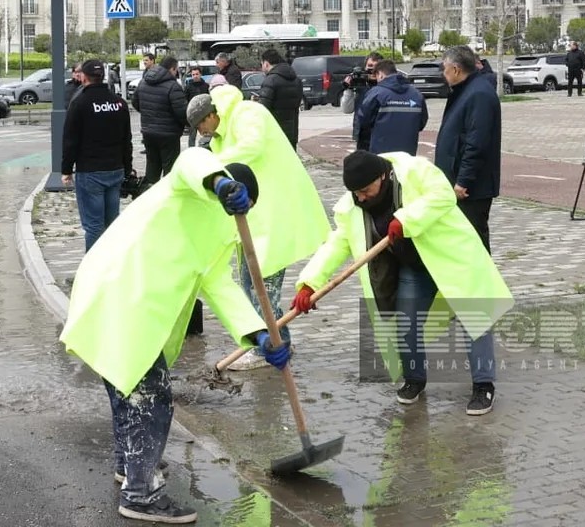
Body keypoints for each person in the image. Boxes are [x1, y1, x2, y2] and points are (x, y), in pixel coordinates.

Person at [61, 153, 291, 524]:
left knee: (127, 388)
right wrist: (219, 182)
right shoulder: (187, 187)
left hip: (118, 293)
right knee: (152, 400)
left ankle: (129, 465)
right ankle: (141, 494)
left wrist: (260, 335)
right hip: (124, 292)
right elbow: (192, 160)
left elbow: (219, 285)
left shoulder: (217, 232)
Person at [291, 150, 513, 415]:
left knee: (474, 318)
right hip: (413, 267)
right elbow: (337, 243)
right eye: (356, 193)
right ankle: (415, 379)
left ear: (382, 176)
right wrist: (309, 283)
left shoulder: (415, 172)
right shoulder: (352, 206)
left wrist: (406, 218)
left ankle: (483, 385)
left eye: (365, 190)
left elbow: (443, 194)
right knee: (406, 321)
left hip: (451, 257)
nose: (361, 197)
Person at [189, 87, 329, 371]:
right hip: (250, 221)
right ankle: (276, 340)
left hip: (274, 217)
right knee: (249, 285)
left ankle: (274, 346)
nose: (201, 132)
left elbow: (251, 147)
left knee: (261, 291)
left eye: (200, 125)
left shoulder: (247, 114)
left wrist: (213, 164)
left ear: (211, 115)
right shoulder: (219, 137)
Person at [61, 59, 134, 251]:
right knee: (112, 225)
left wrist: (66, 170)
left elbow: (70, 140)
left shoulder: (80, 103)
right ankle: (112, 268)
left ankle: (91, 275)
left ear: (83, 77)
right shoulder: (119, 103)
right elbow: (127, 139)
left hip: (90, 172)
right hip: (115, 170)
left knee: (94, 227)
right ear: (102, 76)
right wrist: (127, 167)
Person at [435, 46, 501, 252]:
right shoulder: (466, 90)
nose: (443, 74)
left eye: (444, 69)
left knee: (474, 244)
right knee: (462, 243)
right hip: (459, 182)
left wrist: (463, 180)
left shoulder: (479, 93)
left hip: (471, 188)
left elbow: (477, 142)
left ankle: (484, 284)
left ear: (455, 69)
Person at [132, 56, 188, 185]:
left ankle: (150, 196)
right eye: (176, 70)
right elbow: (182, 112)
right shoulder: (173, 86)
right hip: (169, 134)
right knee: (170, 171)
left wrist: (149, 114)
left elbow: (135, 102)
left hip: (148, 132)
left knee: (152, 168)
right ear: (172, 69)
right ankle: (169, 199)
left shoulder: (144, 81)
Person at [356, 59, 428, 155]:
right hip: (407, 153)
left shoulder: (376, 93)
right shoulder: (416, 94)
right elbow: (422, 122)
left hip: (381, 153)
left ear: (380, 74)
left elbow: (364, 119)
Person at [255, 48, 304, 149]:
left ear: (266, 63)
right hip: (292, 131)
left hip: (274, 131)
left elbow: (263, 109)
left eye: (262, 64)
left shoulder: (270, 80)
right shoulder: (296, 79)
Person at [348, 51, 384, 143]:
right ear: (365, 67)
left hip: (382, 134)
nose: (372, 70)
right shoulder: (360, 84)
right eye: (370, 66)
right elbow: (347, 110)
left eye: (376, 67)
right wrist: (348, 90)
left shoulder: (386, 87)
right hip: (362, 135)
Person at [182, 66, 210, 148]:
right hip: (192, 115)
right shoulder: (188, 87)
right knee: (192, 136)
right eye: (193, 74)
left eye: (197, 74)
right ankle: (191, 151)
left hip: (205, 115)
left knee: (207, 135)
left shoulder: (206, 86)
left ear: (200, 74)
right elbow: (185, 100)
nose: (195, 76)